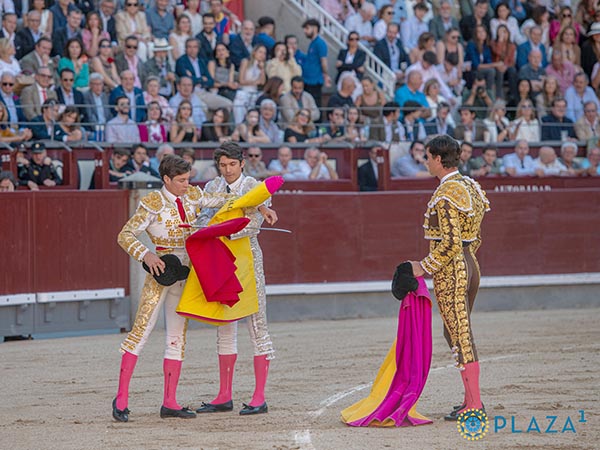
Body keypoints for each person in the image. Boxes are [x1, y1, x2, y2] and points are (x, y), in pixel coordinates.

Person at [112, 153, 244, 422]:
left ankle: (170, 402)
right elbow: (124, 235)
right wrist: (146, 255)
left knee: (177, 337)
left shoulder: (193, 195)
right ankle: (121, 399)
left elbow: (226, 200)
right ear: (166, 180)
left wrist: (259, 203)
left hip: (187, 274)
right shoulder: (152, 202)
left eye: (188, 179)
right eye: (182, 180)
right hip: (161, 272)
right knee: (141, 332)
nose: (188, 184)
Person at [409, 135, 490, 421]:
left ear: (439, 160)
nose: (426, 162)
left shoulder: (445, 194)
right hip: (470, 265)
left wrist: (424, 266)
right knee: (454, 332)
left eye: (428, 157)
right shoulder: (470, 186)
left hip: (452, 271)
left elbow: (451, 242)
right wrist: (468, 262)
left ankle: (475, 403)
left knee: (459, 333)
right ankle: (470, 399)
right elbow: (474, 236)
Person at [195, 142, 278, 416]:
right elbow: (203, 218)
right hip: (221, 261)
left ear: (242, 164)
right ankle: (224, 395)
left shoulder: (254, 186)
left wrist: (227, 231)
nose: (228, 170)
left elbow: (254, 223)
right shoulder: (211, 188)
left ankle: (259, 396)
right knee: (225, 323)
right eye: (223, 165)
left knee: (257, 324)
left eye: (232, 164)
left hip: (248, 260)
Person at [299, 18, 331, 107]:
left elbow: (323, 61)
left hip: (315, 80)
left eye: (307, 28)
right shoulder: (313, 43)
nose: (305, 31)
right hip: (308, 79)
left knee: (314, 104)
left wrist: (325, 75)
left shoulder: (320, 43)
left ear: (315, 28)